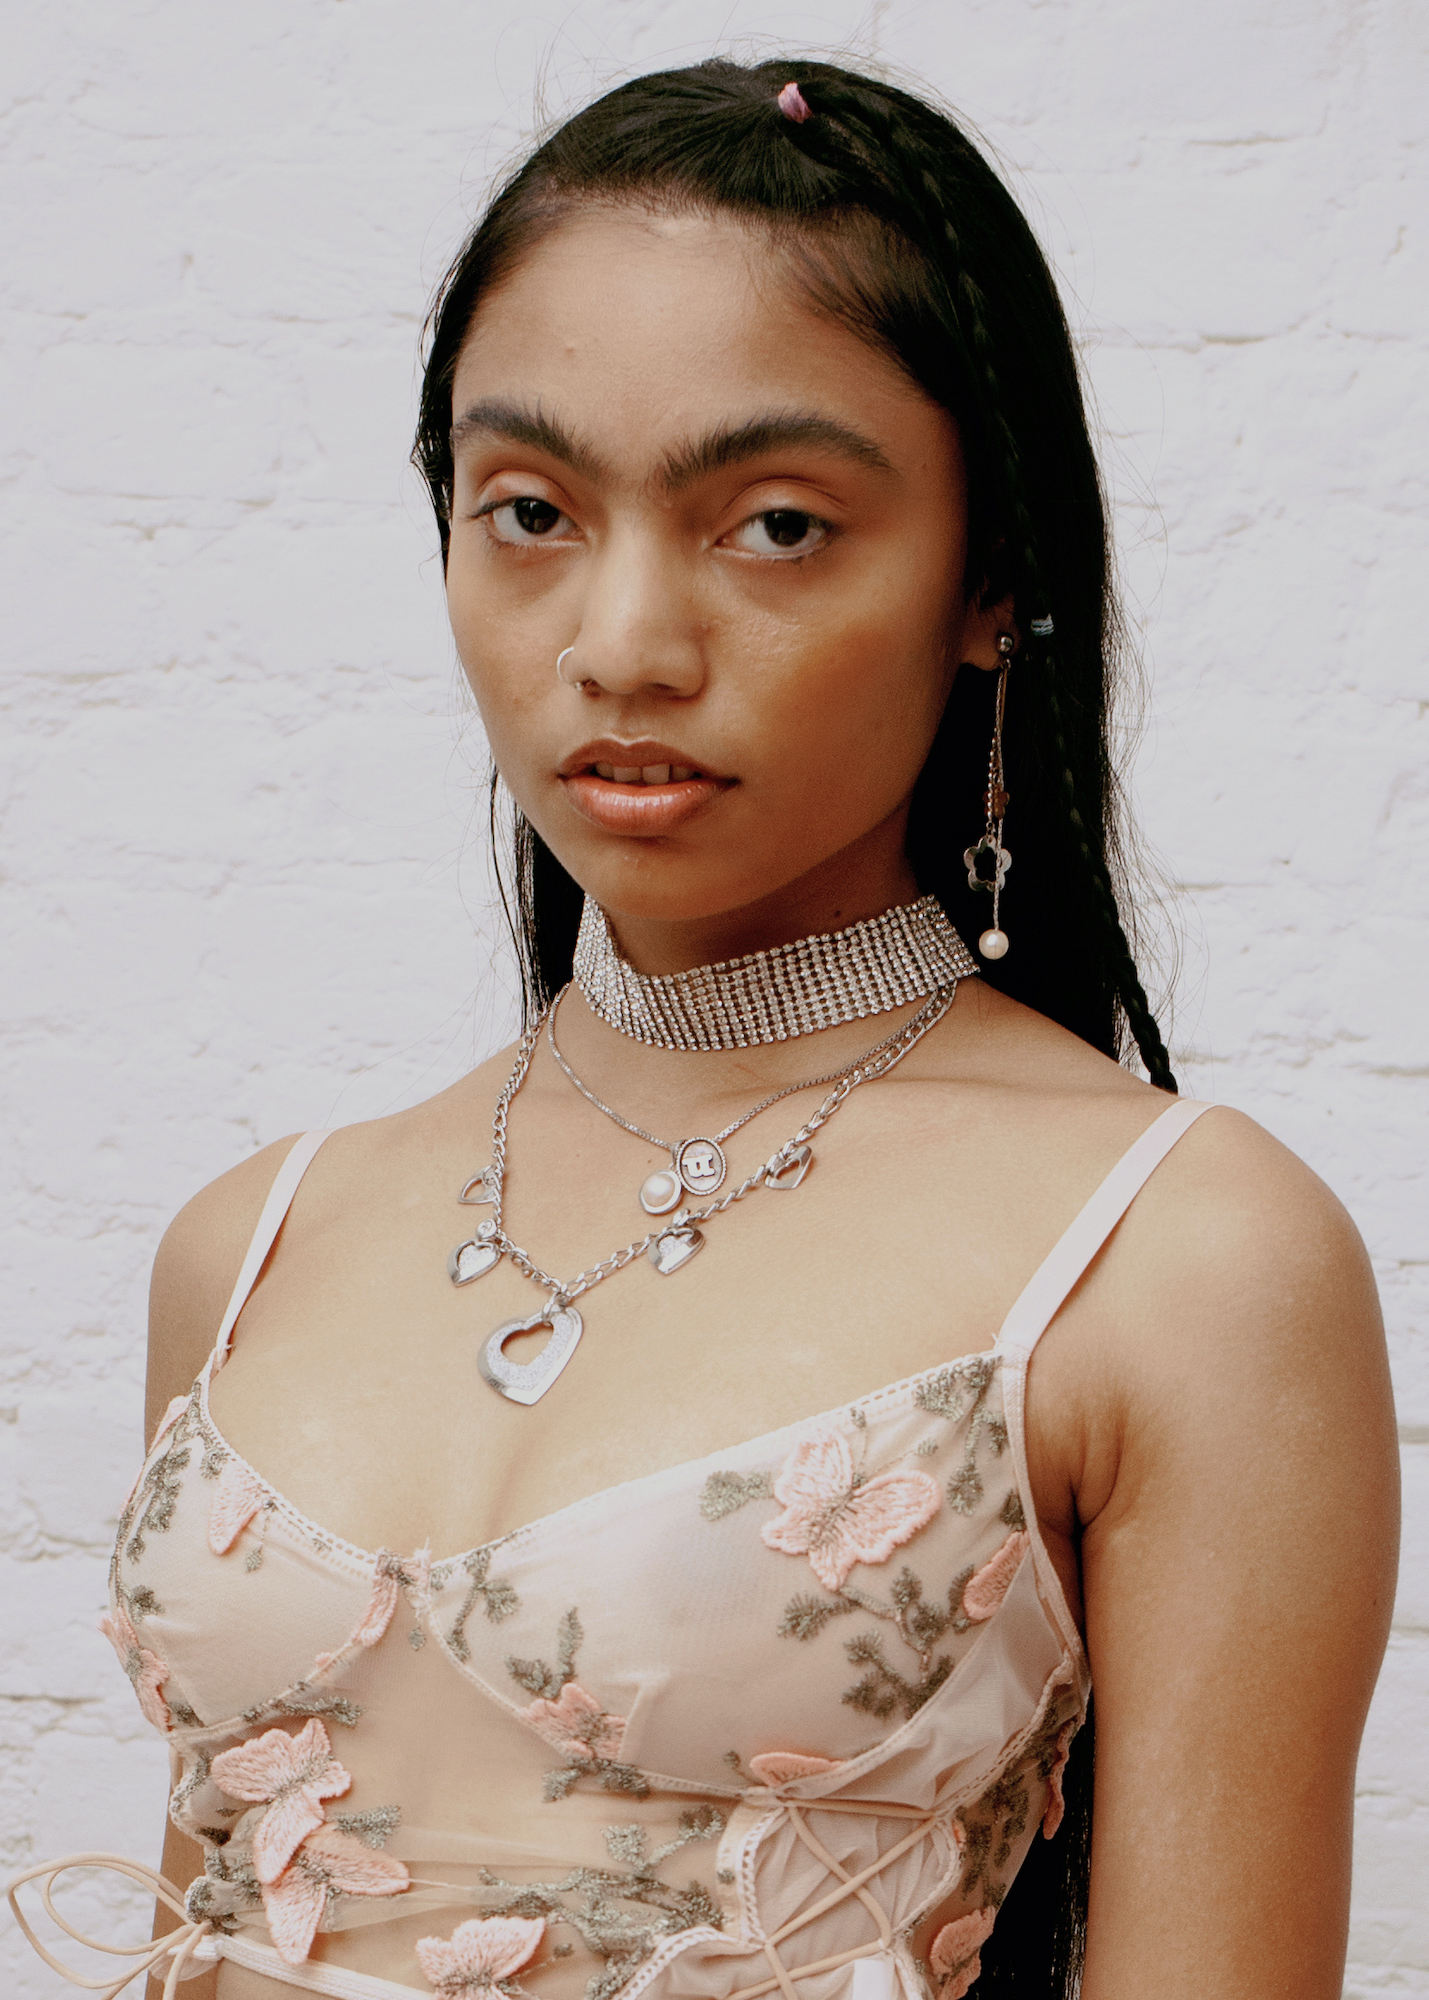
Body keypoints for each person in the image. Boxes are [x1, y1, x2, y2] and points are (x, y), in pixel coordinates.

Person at [8, 56, 1398, 2000]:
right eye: (527, 509)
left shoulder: (1179, 1260)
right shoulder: (252, 1243)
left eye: (772, 526)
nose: (623, 639)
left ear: (992, 577)